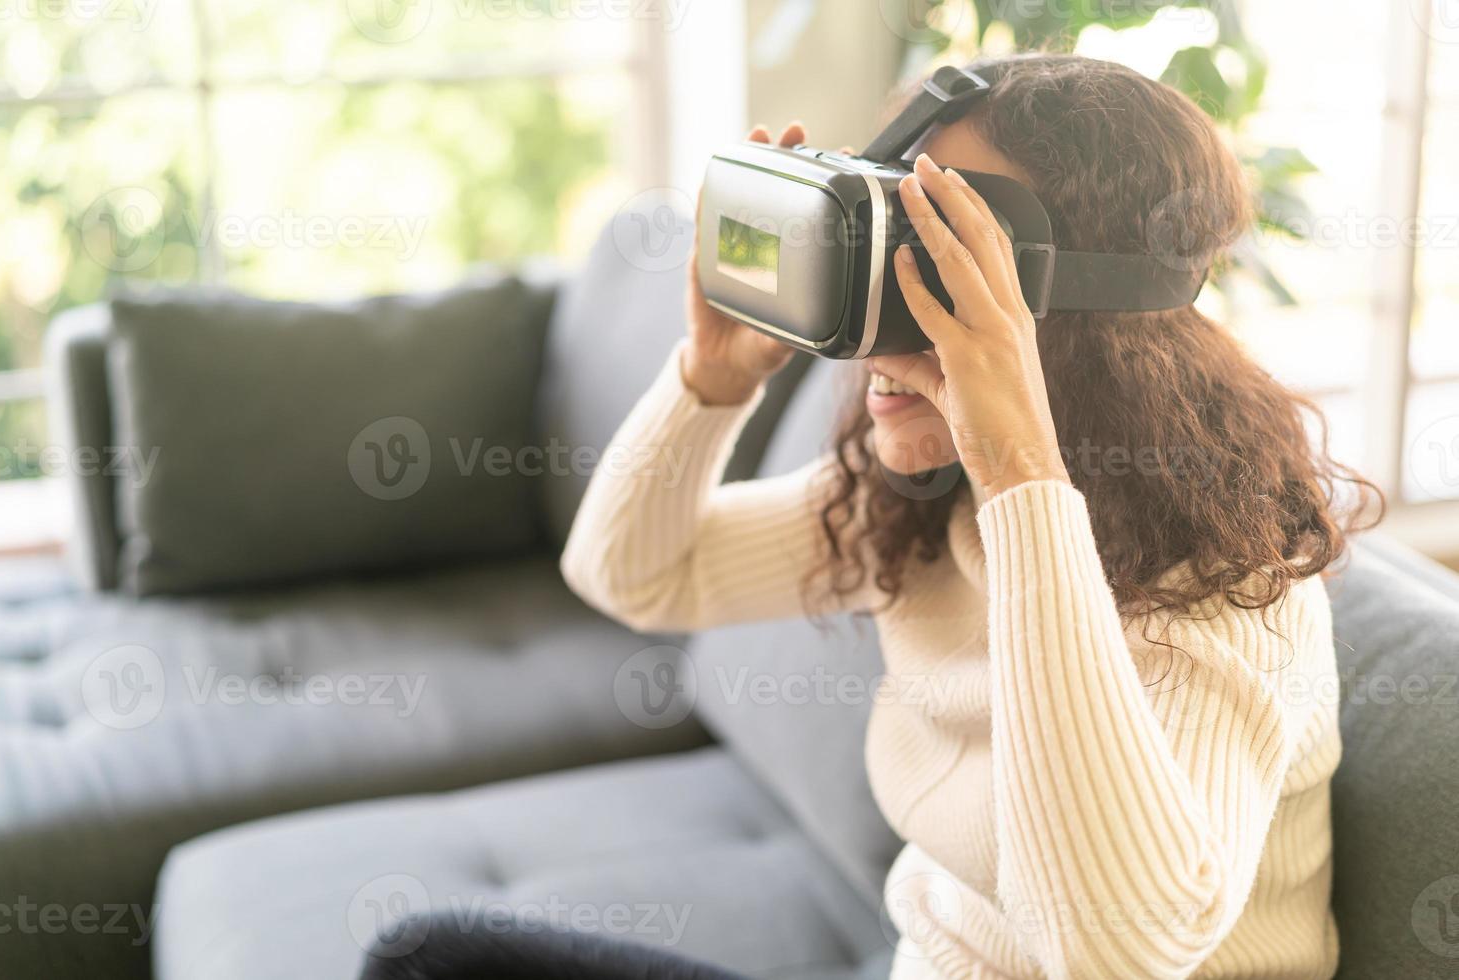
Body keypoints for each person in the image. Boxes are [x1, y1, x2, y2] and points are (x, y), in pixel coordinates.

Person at [374, 53, 1379, 980]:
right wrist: (715, 378)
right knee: (429, 956)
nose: (872, 341)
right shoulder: (925, 507)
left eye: (936, 265)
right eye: (877, 243)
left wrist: (1022, 468)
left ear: (1076, 314)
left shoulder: (1229, 589)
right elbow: (635, 573)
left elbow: (1112, 948)